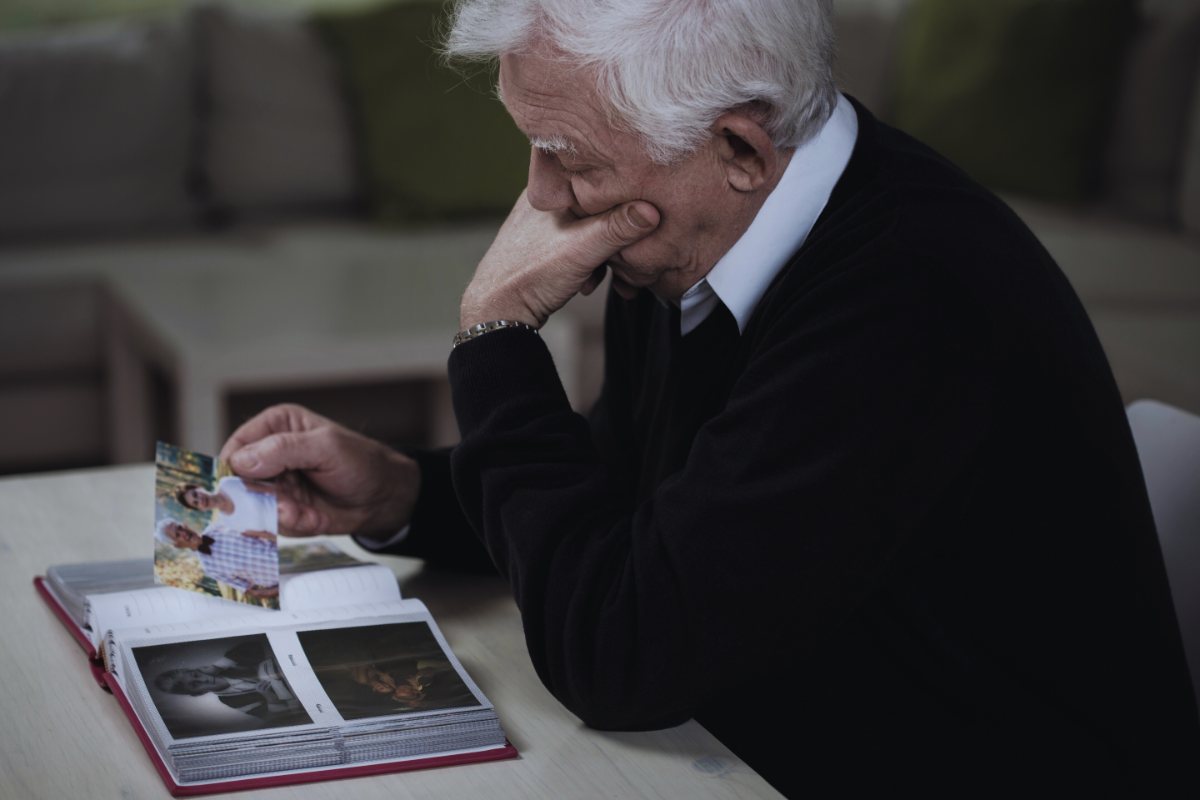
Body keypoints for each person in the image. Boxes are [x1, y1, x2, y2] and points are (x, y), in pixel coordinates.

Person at [219, 0, 1199, 793]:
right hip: (780, 726)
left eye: (569, 154)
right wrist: (404, 493)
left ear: (740, 146)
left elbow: (619, 656)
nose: (544, 199)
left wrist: (495, 338)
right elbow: (626, 496)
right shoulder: (696, 225)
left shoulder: (910, 297)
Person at [154, 639, 307, 726]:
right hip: (300, 691)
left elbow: (255, 644)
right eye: (195, 684)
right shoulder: (231, 700)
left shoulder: (229, 665)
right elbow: (271, 717)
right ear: (198, 693)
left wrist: (216, 666)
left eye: (195, 674)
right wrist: (269, 697)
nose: (202, 679)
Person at [155, 518, 280, 600]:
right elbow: (252, 591)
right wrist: (282, 587)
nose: (183, 533)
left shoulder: (219, 526)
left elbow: (264, 530)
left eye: (180, 528)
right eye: (177, 535)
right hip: (283, 579)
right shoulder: (209, 568)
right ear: (178, 545)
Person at [175, 476, 277, 534]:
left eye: (195, 494)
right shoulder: (229, 523)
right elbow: (266, 535)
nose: (200, 499)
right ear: (200, 509)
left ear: (199, 487)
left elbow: (270, 488)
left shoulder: (227, 484)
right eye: (196, 503)